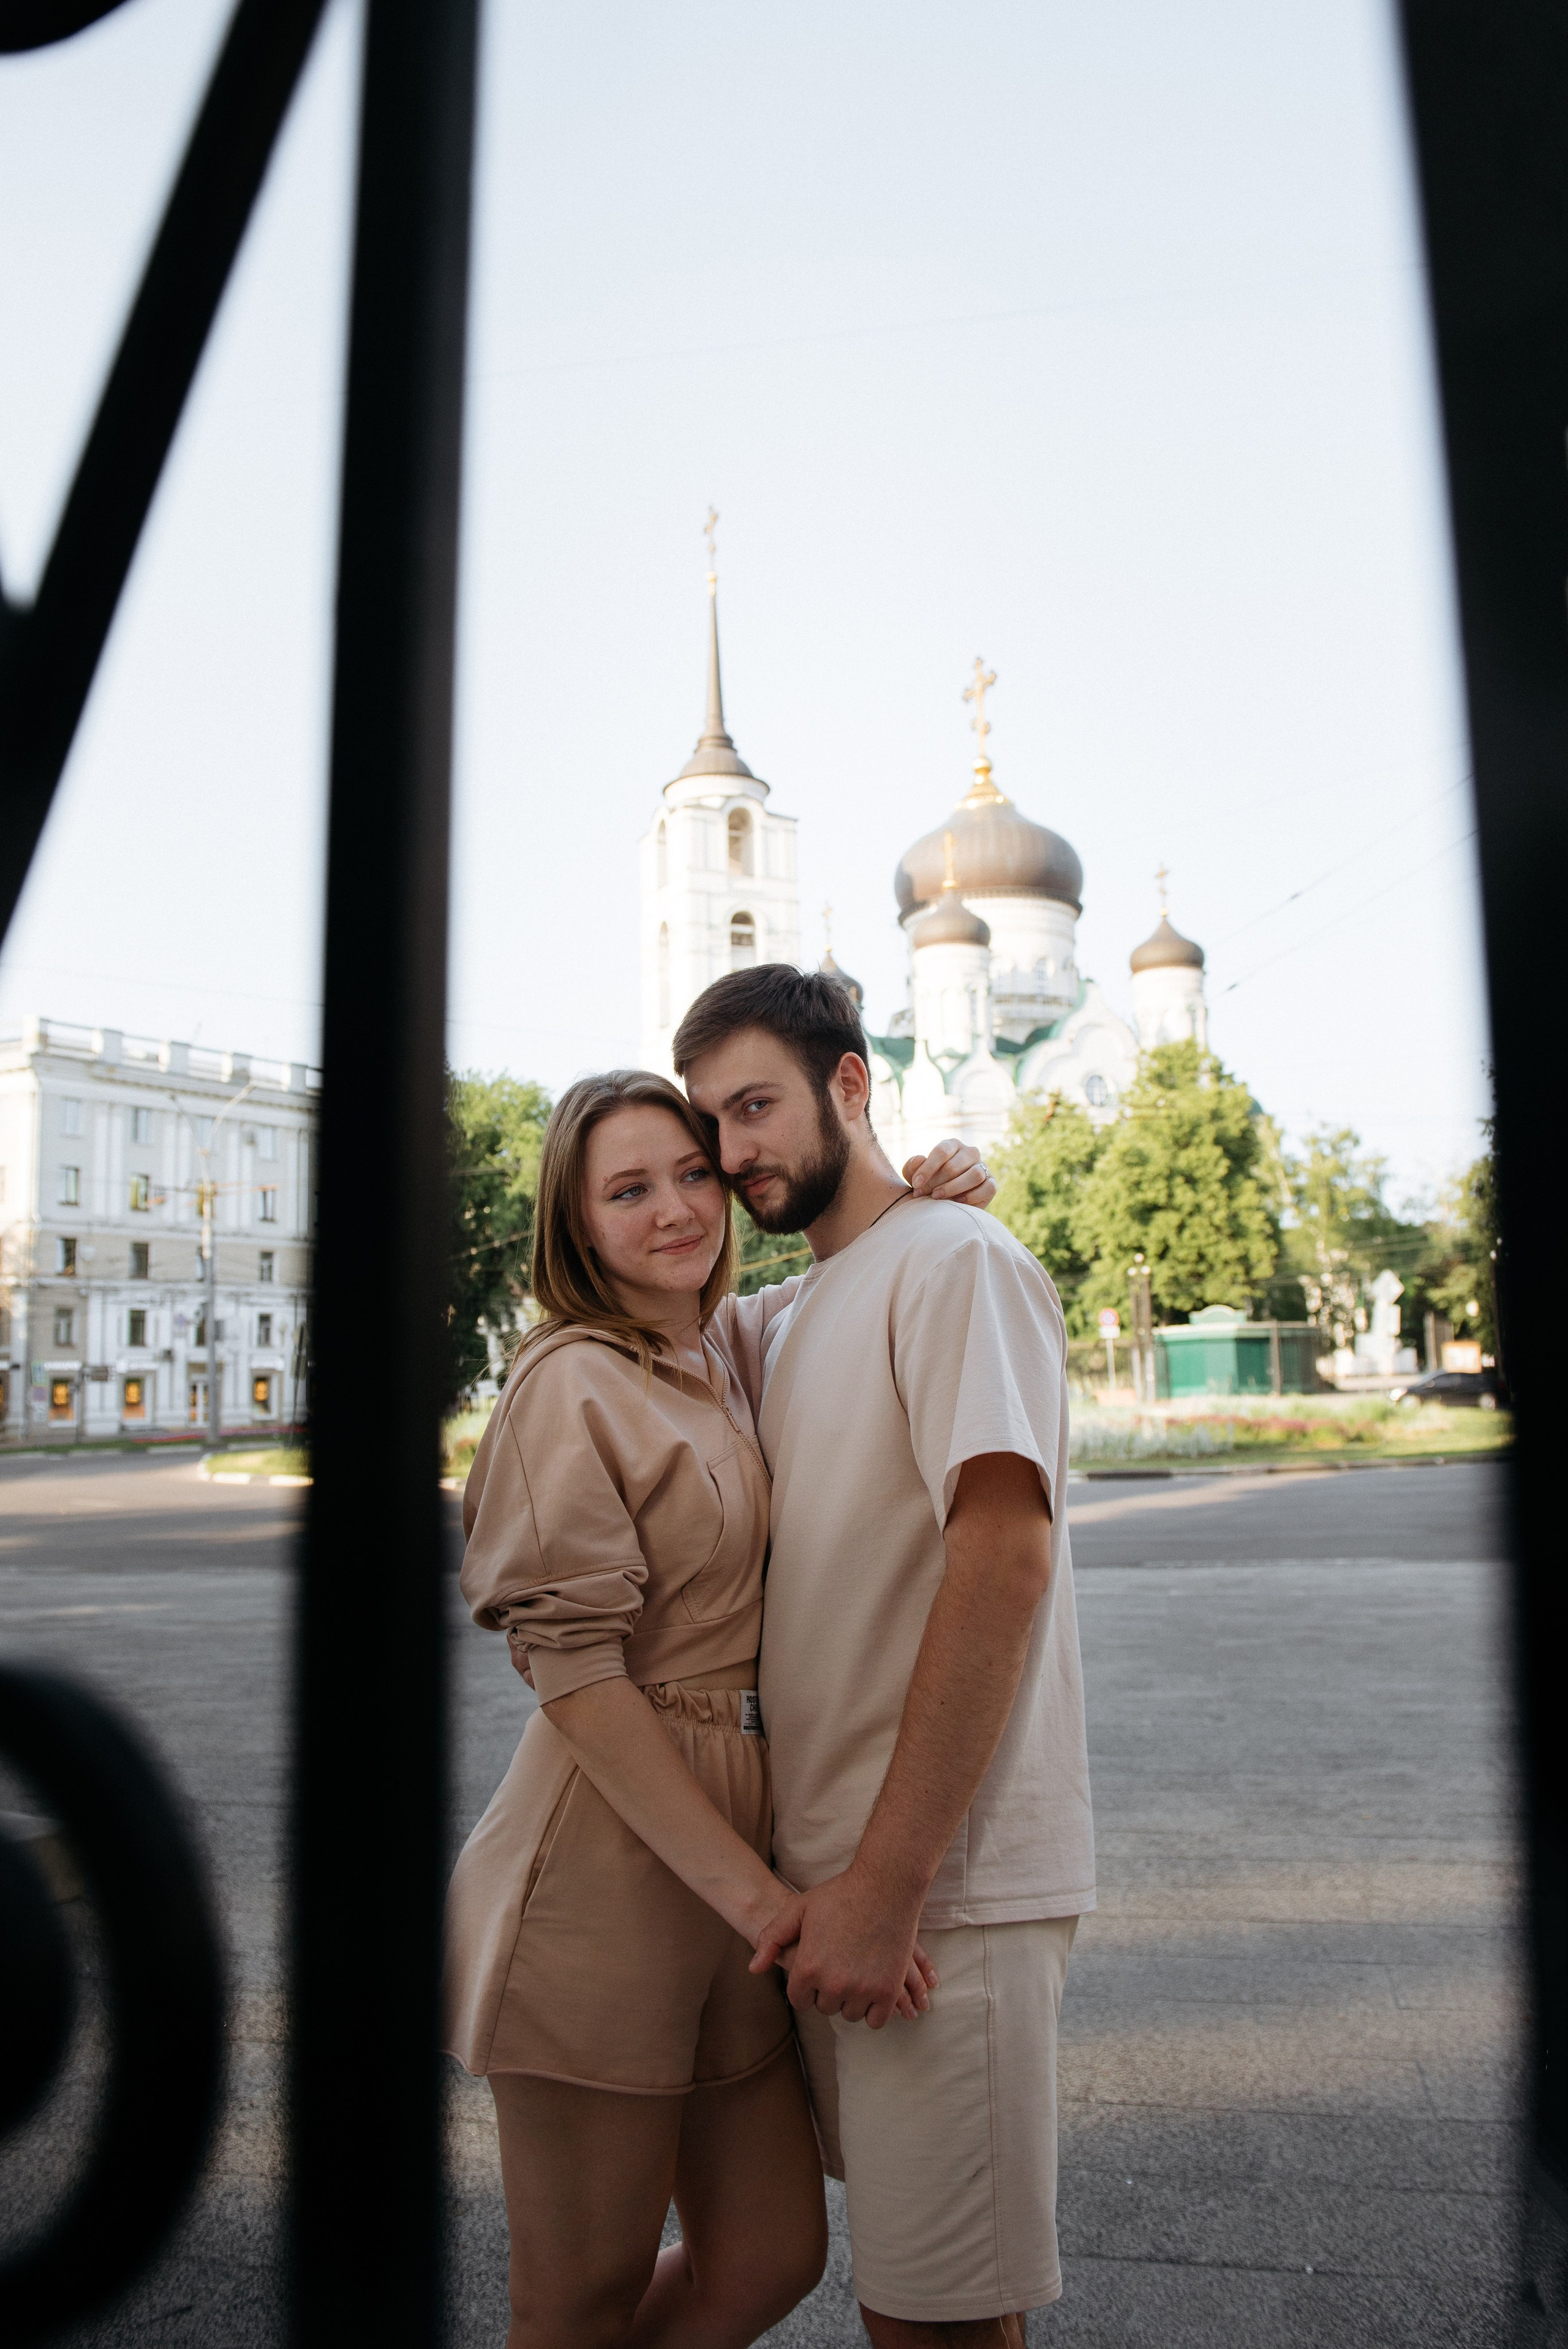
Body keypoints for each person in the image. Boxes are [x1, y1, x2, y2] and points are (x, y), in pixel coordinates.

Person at [443, 1068, 995, 2349]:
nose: (677, 1208)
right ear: (576, 1223)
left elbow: (863, 1268)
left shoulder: (726, 1345)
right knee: (578, 2296)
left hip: (739, 1849)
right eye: (628, 1190)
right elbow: (574, 1676)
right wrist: (770, 1910)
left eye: (693, 1172)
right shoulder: (568, 1380)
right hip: (607, 1863)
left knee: (766, 2255)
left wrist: (937, 1184)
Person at [673, 967, 1095, 2349]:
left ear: (849, 1084)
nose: (730, 1151)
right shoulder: (787, 1314)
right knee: (912, 2301)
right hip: (833, 1892)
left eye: (754, 1106)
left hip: (935, 1894)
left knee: (934, 2322)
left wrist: (888, 1885)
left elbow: (1003, 1560)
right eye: (708, 1123)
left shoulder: (957, 1263)